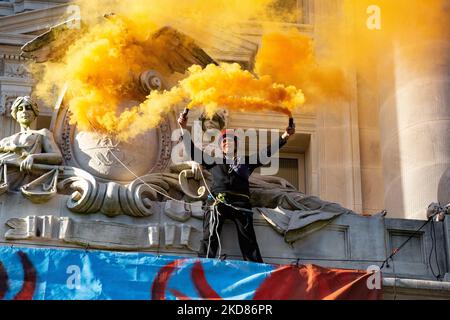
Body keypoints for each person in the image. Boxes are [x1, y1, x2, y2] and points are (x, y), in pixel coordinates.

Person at [178, 112, 295, 263]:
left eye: (231, 141)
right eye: (224, 141)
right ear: (221, 146)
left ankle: (255, 268)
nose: (227, 142)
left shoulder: (246, 162)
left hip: (241, 204)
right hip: (217, 202)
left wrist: (284, 136)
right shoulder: (214, 161)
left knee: (248, 241)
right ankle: (203, 265)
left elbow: (266, 153)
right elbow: (193, 151)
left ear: (236, 145)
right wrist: (183, 128)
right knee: (210, 236)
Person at [0, 96, 63, 189]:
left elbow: (57, 157)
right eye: (20, 109)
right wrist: (10, 148)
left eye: (28, 108)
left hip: (21, 174)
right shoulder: (6, 140)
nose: (24, 111)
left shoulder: (42, 133)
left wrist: (32, 157)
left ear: (34, 113)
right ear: (16, 115)